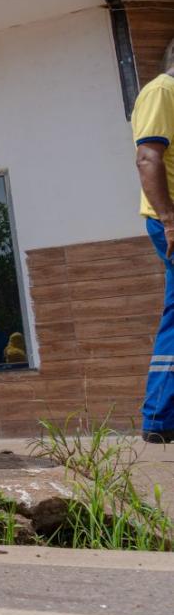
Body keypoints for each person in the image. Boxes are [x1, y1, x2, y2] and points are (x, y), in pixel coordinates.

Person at [130, 37, 174, 445]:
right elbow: (148, 157)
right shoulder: (162, 89)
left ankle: (161, 416)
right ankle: (159, 417)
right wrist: (169, 219)